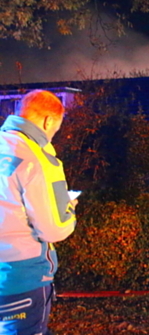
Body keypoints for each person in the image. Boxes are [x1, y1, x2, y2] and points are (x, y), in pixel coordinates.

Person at [0, 90, 77, 335]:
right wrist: (68, 211)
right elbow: (53, 229)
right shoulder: (37, 158)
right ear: (47, 121)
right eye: (57, 127)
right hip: (20, 277)